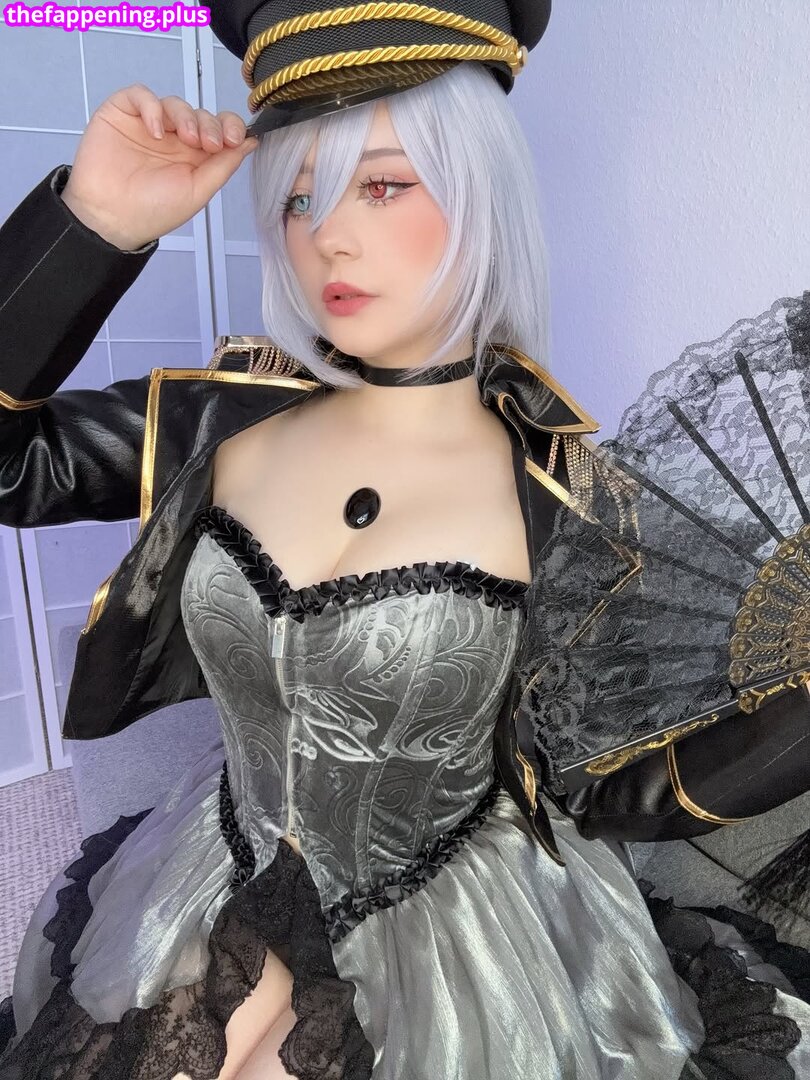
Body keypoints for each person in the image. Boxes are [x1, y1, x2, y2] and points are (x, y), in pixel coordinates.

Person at [0, 2, 808, 1077]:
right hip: (218, 853)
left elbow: (609, 786)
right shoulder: (218, 421)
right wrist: (93, 222)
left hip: (453, 925)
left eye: (382, 185)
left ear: (480, 193)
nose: (325, 235)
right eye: (297, 195)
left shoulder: (567, 499)